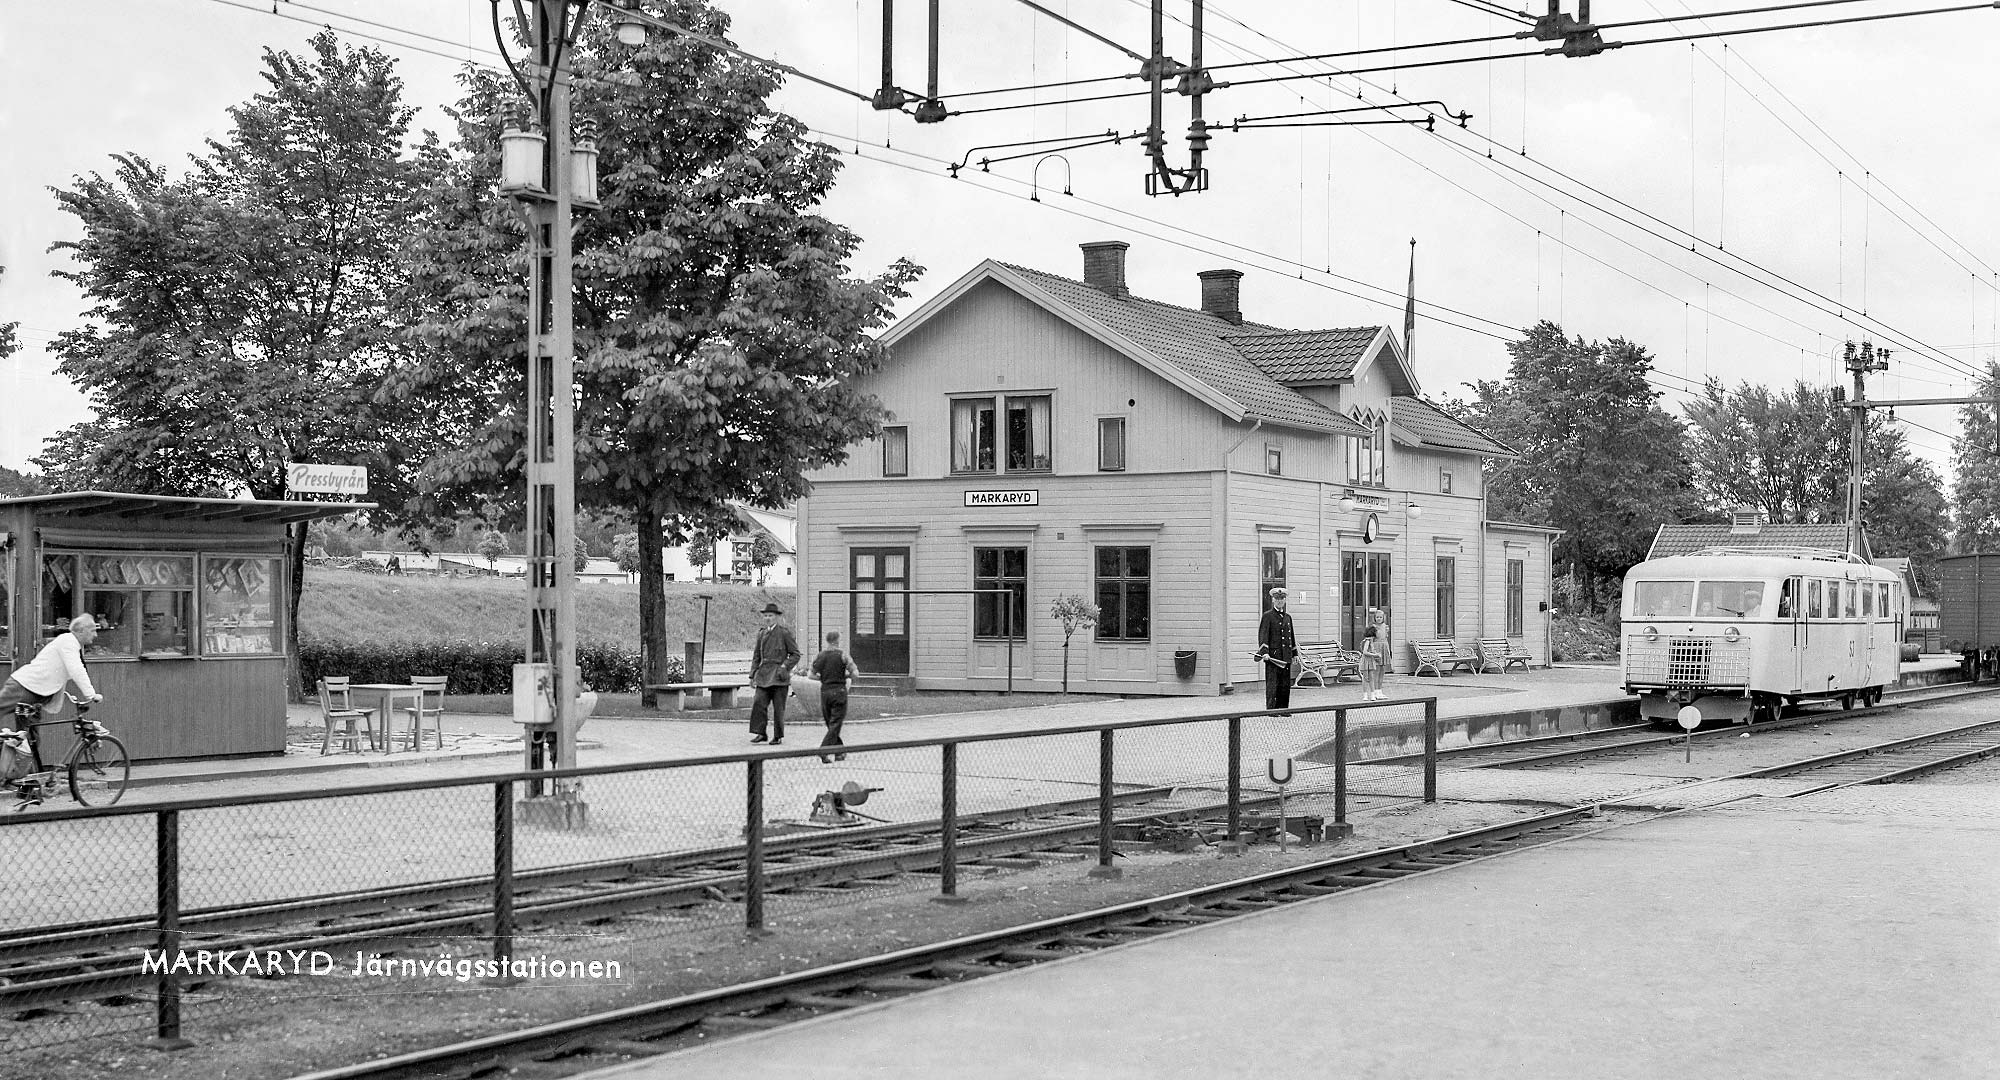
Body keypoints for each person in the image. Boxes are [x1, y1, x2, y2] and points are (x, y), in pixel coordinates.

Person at [1, 615, 106, 767]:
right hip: (23, 687)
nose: (95, 635)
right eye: (92, 631)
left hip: (36, 695)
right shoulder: (68, 642)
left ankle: (29, 784)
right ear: (81, 631)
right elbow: (76, 669)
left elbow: (60, 673)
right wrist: (91, 694)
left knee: (30, 741)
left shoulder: (72, 645)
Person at [747, 602, 801, 745]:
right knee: (759, 702)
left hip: (779, 677)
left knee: (778, 708)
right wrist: (752, 675)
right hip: (764, 675)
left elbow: (795, 654)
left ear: (776, 617)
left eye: (770, 616)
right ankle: (760, 732)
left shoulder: (784, 633)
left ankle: (778, 736)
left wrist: (784, 666)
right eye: (765, 616)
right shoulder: (762, 634)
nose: (768, 618)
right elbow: (756, 656)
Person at [810, 630, 858, 763]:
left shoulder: (820, 656)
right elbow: (855, 673)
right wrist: (845, 676)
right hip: (839, 691)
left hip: (825, 692)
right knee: (836, 723)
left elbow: (811, 675)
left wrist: (824, 678)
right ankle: (823, 750)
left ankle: (839, 752)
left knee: (831, 723)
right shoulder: (843, 655)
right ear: (837, 640)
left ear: (827, 641)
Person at [1253, 587, 1298, 715]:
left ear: (1285, 600)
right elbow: (1263, 636)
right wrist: (1264, 652)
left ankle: (1283, 709)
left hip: (1285, 656)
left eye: (1282, 599)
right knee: (1273, 684)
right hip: (1273, 656)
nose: (1280, 601)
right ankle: (1272, 710)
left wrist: (1294, 654)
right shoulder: (1267, 616)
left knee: (1284, 684)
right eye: (1277, 599)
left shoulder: (1288, 617)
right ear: (1273, 600)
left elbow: (1291, 637)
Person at [1359, 624, 1385, 701]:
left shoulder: (1370, 641)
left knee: (1371, 677)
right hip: (1366, 661)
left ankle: (1372, 694)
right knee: (1366, 678)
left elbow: (1371, 650)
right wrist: (1374, 655)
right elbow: (1365, 652)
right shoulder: (1367, 641)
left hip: (1370, 661)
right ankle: (1365, 695)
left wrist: (1376, 654)